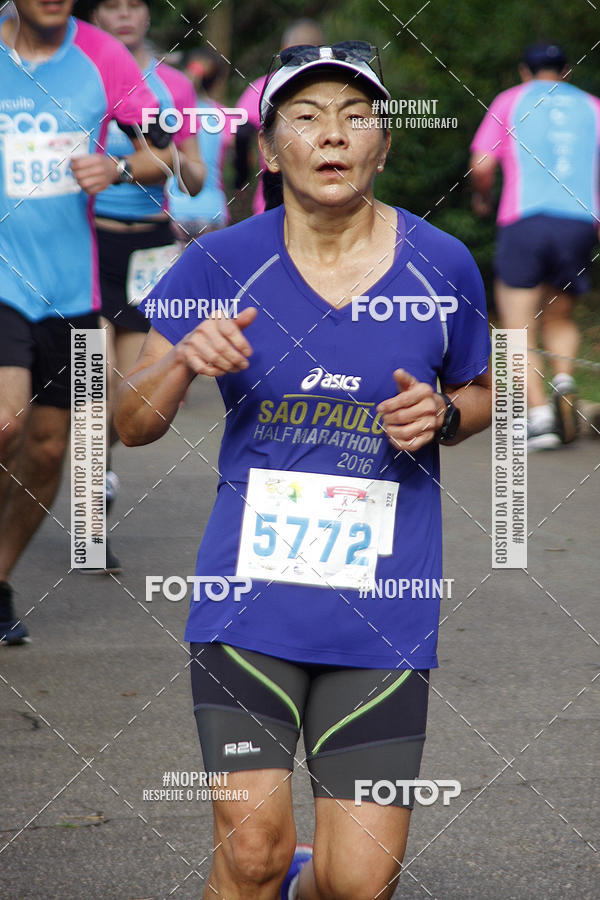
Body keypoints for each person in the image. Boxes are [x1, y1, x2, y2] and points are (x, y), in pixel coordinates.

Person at [115, 42, 492, 899]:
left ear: (384, 144)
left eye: (358, 118)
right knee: (248, 853)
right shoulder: (216, 262)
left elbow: (482, 386)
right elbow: (129, 422)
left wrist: (447, 415)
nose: (334, 136)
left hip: (383, 613)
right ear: (270, 145)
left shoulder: (441, 264)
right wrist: (179, 363)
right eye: (308, 117)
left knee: (358, 883)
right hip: (248, 601)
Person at [0, 0, 175, 644]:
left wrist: (121, 167)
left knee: (47, 450)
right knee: (5, 421)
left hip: (73, 289)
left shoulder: (105, 57)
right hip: (1, 277)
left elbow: (172, 155)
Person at [88, 0, 205, 571]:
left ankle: (101, 471)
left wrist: (172, 153)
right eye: (112, 5)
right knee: (95, 382)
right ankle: (89, 526)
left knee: (131, 394)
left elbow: (196, 174)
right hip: (87, 242)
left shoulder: (175, 86)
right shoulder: (82, 79)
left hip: (153, 247)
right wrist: (139, 160)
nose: (124, 15)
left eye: (134, 4)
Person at [470, 41, 599, 451]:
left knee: (515, 326)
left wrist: (483, 198)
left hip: (526, 219)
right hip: (580, 222)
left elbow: (482, 165)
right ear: (566, 72)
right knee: (560, 317)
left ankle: (542, 416)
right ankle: (564, 379)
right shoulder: (593, 106)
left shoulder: (511, 100)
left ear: (526, 72)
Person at [234, 19, 324, 216]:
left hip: (273, 201)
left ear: (284, 48)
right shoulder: (332, 88)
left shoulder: (264, 86)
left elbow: (241, 133)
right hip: (325, 199)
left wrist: (240, 180)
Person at [168, 47, 234, 244]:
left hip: (174, 209)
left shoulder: (170, 112)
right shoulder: (223, 116)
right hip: (212, 210)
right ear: (216, 81)